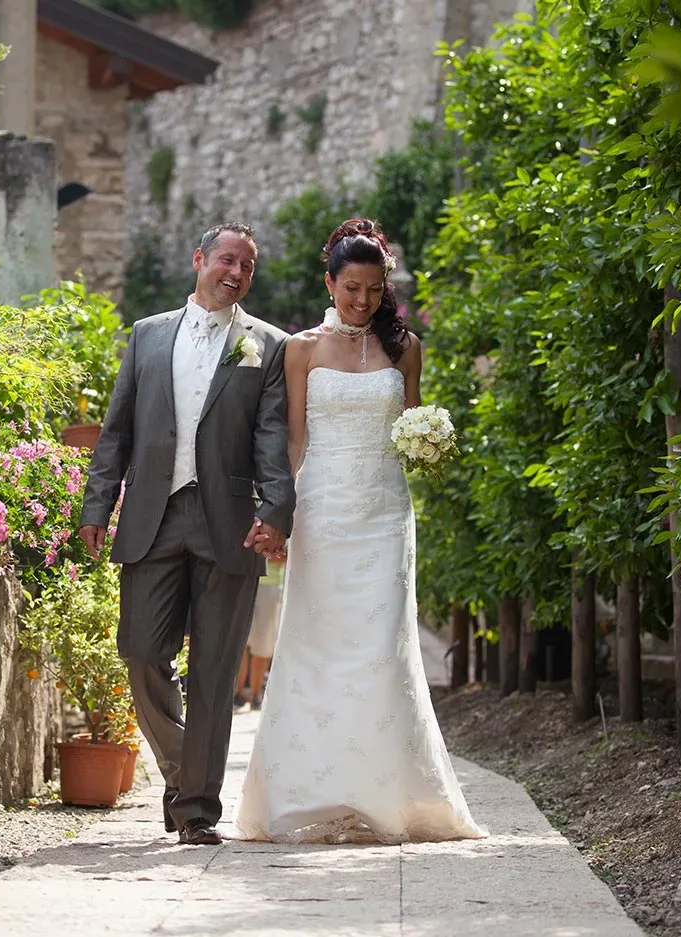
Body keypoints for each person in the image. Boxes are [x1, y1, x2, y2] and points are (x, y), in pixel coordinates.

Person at [231, 219, 486, 844]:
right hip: (322, 511)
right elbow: (295, 441)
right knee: (315, 646)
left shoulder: (407, 348)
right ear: (330, 284)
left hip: (384, 515)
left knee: (380, 649)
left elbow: (411, 421)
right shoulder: (301, 349)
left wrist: (428, 442)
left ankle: (387, 797)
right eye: (351, 289)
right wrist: (278, 515)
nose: (362, 301)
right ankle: (308, 794)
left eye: (374, 290)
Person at [80, 222, 296, 846]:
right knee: (140, 651)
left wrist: (277, 509)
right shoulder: (147, 335)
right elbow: (117, 430)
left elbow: (272, 436)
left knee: (213, 672)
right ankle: (184, 772)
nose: (237, 273)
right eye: (227, 259)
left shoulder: (269, 345)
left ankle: (197, 809)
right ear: (200, 258)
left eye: (248, 266)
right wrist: (97, 505)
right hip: (154, 515)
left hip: (230, 523)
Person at [236, 557, 284, 709]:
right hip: (241, 580)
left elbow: (286, 557)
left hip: (270, 584)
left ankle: (256, 694)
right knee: (239, 642)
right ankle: (237, 694)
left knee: (264, 643)